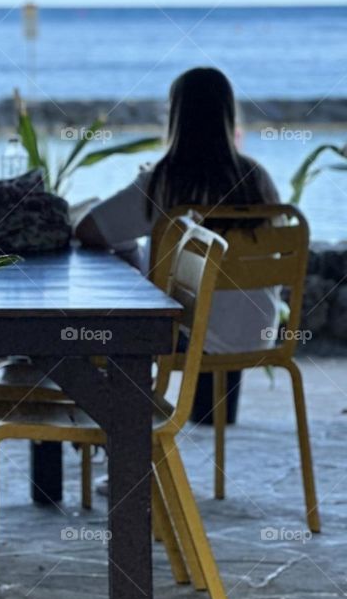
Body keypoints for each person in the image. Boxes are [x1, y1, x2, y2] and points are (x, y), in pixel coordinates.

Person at [74, 66, 281, 420]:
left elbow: (89, 230)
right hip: (258, 329)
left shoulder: (165, 181)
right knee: (209, 298)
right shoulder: (256, 177)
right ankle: (206, 411)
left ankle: (112, 431)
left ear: (176, 116)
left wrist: (143, 188)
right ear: (229, 113)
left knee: (99, 329)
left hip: (192, 333)